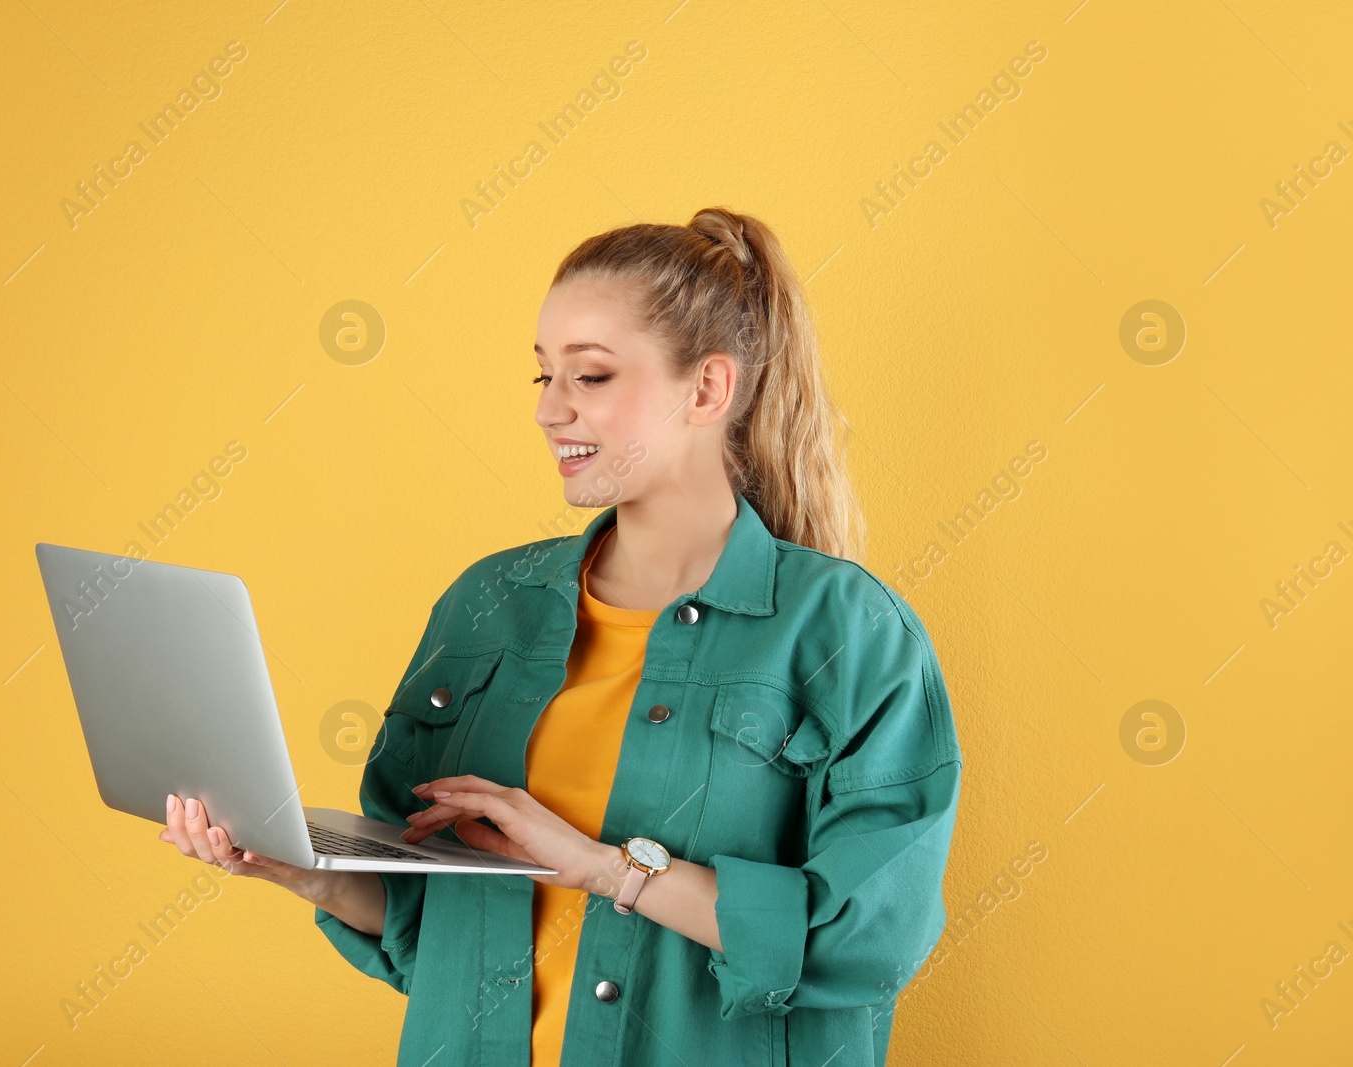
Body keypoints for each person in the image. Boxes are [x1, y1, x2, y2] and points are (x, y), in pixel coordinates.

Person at [159, 207, 963, 1067]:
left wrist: (607, 869)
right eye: (542, 376)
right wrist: (297, 866)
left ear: (707, 389)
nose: (550, 410)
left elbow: (866, 939)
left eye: (592, 377)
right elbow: (425, 918)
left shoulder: (850, 633)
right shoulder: (487, 604)